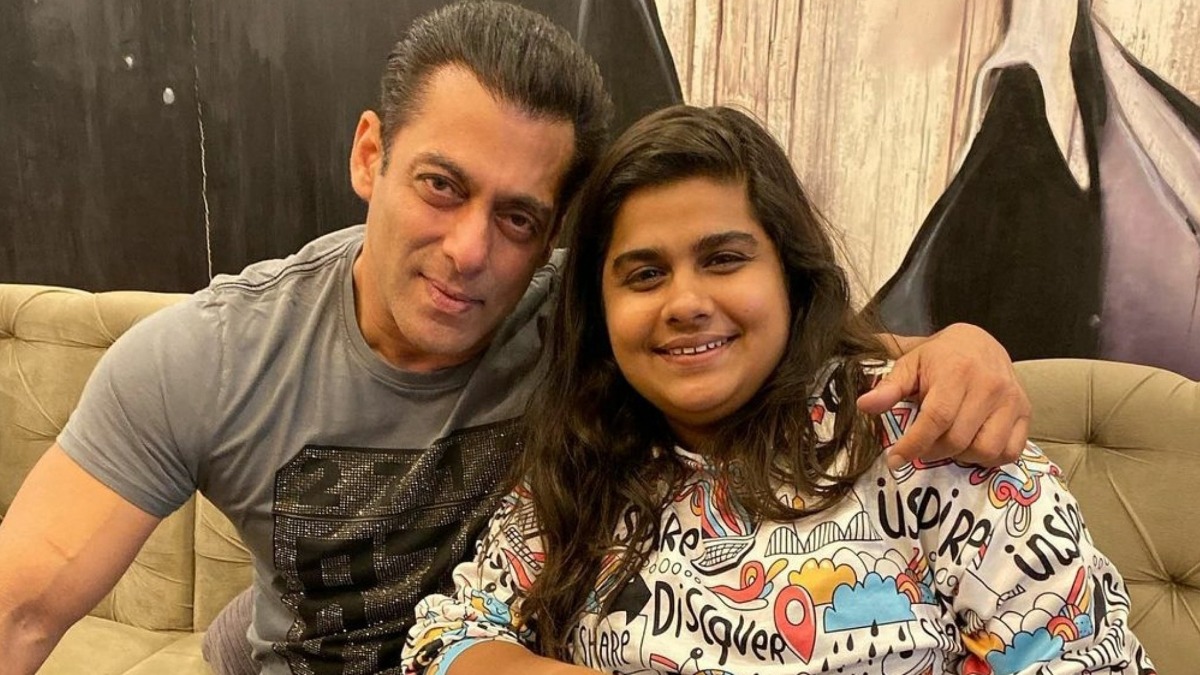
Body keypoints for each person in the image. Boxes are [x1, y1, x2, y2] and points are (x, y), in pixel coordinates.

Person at [0, 3, 1029, 674]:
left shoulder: (591, 329)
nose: (469, 251)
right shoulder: (203, 356)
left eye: (519, 216)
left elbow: (772, 339)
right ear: (370, 155)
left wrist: (959, 349)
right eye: (440, 186)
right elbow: (22, 609)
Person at [401, 105, 1154, 674]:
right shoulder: (585, 462)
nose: (685, 302)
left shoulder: (931, 442)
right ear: (601, 312)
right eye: (645, 273)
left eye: (724, 259)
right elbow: (447, 635)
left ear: (790, 276)